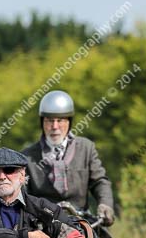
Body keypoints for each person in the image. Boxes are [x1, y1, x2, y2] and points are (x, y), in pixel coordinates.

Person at [22, 90, 115, 225]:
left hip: (80, 221)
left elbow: (100, 181)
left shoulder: (86, 148)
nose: (55, 127)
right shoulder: (27, 156)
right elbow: (22, 194)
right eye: (49, 121)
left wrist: (105, 204)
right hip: (43, 225)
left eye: (60, 120)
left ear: (69, 122)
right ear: (42, 123)